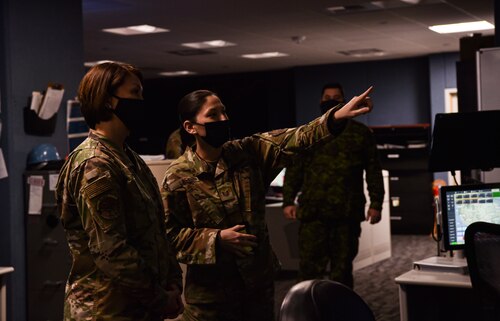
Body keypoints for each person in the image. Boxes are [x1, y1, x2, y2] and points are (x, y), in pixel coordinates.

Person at [161, 87, 374, 321]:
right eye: (213, 115)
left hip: (257, 287)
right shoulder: (179, 176)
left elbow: (294, 139)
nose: (223, 119)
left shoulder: (247, 152)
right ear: (191, 127)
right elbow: (169, 236)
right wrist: (216, 240)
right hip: (212, 297)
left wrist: (334, 118)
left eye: (224, 112)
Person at [56, 62, 184, 320]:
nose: (142, 100)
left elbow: (157, 230)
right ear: (107, 101)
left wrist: (172, 282)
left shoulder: (129, 159)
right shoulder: (95, 164)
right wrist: (159, 298)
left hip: (138, 307)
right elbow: (111, 250)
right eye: (134, 93)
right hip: (106, 310)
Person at [282, 82, 385, 288]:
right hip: (313, 214)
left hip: (346, 213)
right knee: (310, 270)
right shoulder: (308, 133)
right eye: (327, 98)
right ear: (320, 101)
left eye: (336, 98)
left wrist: (376, 203)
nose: (331, 101)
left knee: (342, 270)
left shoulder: (360, 133)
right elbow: (294, 169)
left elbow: (373, 169)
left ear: (344, 101)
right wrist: (288, 200)